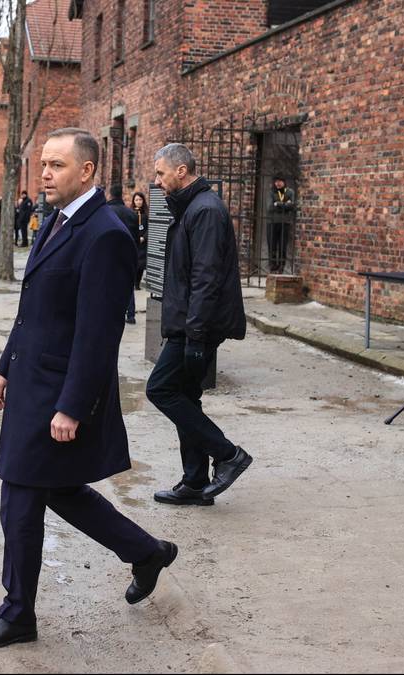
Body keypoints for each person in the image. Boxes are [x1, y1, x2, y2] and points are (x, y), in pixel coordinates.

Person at [0, 128, 176, 649]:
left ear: (88, 171)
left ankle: (17, 613)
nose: (46, 174)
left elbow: (97, 335)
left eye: (57, 165)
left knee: (19, 491)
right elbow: (32, 306)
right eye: (44, 165)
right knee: (56, 490)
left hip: (58, 394)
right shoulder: (55, 221)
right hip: (29, 382)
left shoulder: (106, 234)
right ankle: (146, 552)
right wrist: (5, 365)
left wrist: (73, 406)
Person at [146, 143, 251, 507]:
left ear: (181, 171)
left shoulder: (205, 210)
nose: (156, 182)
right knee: (186, 397)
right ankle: (194, 481)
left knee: (160, 390)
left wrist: (195, 334)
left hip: (195, 327)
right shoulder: (190, 207)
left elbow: (206, 277)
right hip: (188, 323)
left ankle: (228, 454)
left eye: (160, 173)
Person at [106, 185, 140, 325]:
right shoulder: (131, 213)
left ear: (110, 195)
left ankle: (111, 313)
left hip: (108, 254)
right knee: (128, 286)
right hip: (128, 253)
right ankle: (130, 314)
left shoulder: (106, 212)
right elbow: (137, 237)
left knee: (108, 285)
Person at [267, 175, 296, 273]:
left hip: (285, 222)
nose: (277, 183)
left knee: (283, 245)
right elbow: (270, 207)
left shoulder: (290, 192)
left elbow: (292, 206)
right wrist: (285, 204)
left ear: (284, 182)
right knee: (272, 244)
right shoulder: (271, 192)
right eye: (276, 181)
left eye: (279, 181)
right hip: (272, 222)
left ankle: (281, 265)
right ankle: (273, 265)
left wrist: (278, 203)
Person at [131, 191, 149, 290]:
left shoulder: (146, 214)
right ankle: (133, 282)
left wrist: (144, 237)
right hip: (134, 242)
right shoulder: (131, 213)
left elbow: (149, 228)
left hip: (142, 243)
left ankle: (137, 284)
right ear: (134, 201)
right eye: (137, 200)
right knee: (134, 263)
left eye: (140, 200)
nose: (139, 202)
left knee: (141, 264)